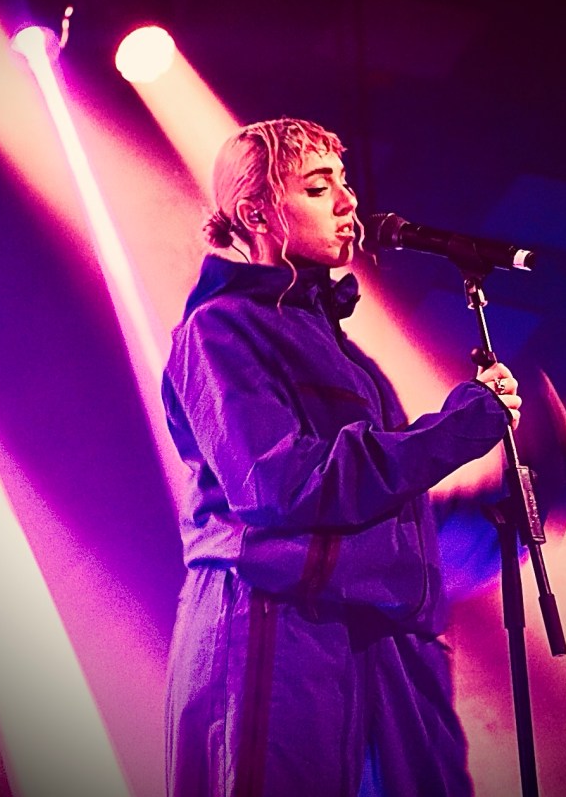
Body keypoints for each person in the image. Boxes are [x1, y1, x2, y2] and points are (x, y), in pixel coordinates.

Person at [161, 117, 522, 797]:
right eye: (318, 187)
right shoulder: (219, 329)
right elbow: (281, 484)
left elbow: (398, 520)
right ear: (256, 213)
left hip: (387, 643)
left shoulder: (351, 360)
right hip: (280, 625)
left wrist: (548, 475)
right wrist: (452, 431)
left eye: (346, 182)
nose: (349, 201)